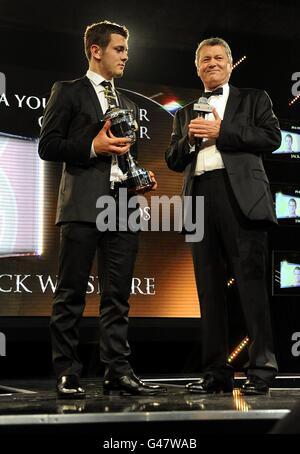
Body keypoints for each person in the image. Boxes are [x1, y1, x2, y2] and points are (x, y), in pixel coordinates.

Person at [39, 20, 165, 398]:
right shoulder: (69, 92)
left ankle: (117, 371)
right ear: (96, 50)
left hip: (123, 206)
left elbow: (126, 157)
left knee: (117, 296)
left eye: (126, 50)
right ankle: (67, 372)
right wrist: (92, 146)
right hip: (82, 204)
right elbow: (48, 145)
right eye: (119, 49)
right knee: (71, 293)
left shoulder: (125, 102)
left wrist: (141, 177)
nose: (126, 55)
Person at [166, 37, 280, 395]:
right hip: (198, 197)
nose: (212, 63)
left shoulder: (254, 98)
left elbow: (271, 137)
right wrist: (189, 140)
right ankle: (216, 373)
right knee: (208, 290)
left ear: (230, 64)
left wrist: (222, 132)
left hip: (241, 197)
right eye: (205, 59)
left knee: (251, 286)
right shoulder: (185, 112)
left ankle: (261, 369)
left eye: (218, 58)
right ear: (197, 67)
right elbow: (173, 160)